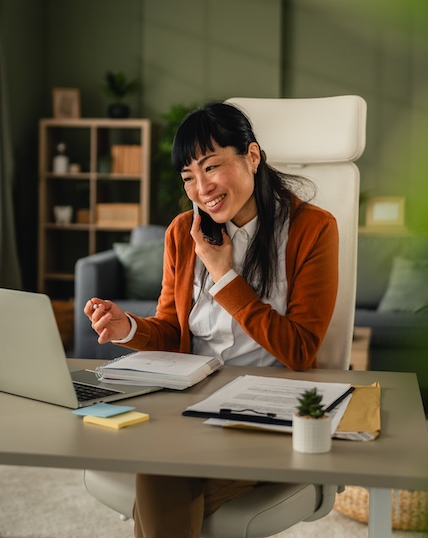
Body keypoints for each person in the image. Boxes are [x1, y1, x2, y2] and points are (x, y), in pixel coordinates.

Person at [83, 101, 339, 538]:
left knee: (158, 471)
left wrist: (223, 275)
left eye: (211, 167)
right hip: (188, 407)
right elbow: (170, 330)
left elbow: (299, 350)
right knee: (162, 463)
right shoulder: (182, 233)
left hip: (265, 412)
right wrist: (127, 326)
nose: (201, 188)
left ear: (252, 157)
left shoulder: (313, 229)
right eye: (188, 177)